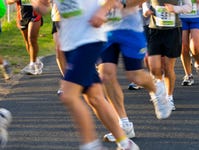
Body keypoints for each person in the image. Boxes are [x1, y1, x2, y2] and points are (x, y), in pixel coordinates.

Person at [30, 0, 140, 149]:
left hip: (89, 38)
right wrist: (37, 3)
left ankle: (91, 145)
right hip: (70, 43)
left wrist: (103, 10)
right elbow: (43, 7)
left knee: (68, 95)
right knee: (94, 97)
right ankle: (126, 143)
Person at [97, 0, 173, 142]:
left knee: (134, 76)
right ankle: (123, 123)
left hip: (129, 29)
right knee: (105, 74)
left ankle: (157, 90)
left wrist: (123, 3)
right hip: (104, 30)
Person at [144, 0, 192, 110]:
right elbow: (144, 2)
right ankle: (160, 88)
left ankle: (169, 97)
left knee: (167, 67)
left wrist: (175, 9)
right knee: (154, 67)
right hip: (154, 30)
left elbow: (188, 7)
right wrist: (146, 10)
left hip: (172, 31)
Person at [6, 0, 43, 75]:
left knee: (31, 39)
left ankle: (32, 65)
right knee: (27, 41)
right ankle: (35, 61)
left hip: (35, 15)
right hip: (22, 16)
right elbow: (8, 2)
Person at [179, 0, 199, 86]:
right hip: (180, 16)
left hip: (197, 16)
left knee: (195, 46)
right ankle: (188, 75)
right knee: (183, 47)